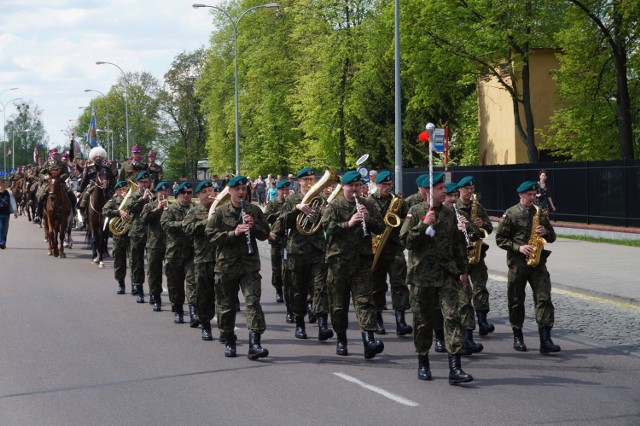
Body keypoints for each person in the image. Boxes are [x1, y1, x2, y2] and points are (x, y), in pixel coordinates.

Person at [400, 172, 473, 384]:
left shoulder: (451, 214)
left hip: (446, 275)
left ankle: (455, 368)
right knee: (423, 322)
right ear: (429, 191)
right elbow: (405, 241)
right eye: (441, 188)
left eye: (444, 188)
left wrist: (463, 271)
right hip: (422, 277)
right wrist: (423, 225)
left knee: (452, 317)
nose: (445, 192)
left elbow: (457, 246)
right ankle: (423, 361)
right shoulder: (415, 211)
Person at [320, 170, 385, 359]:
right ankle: (341, 339)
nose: (355, 189)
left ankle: (369, 340)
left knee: (365, 302)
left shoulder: (368, 204)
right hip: (338, 263)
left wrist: (367, 220)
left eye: (358, 185)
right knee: (339, 305)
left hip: (362, 262)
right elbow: (327, 229)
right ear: (344, 187)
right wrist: (348, 224)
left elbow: (381, 227)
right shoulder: (334, 206)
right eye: (352, 186)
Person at [207, 175, 270, 360]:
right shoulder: (220, 212)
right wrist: (233, 233)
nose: (241, 192)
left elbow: (265, 234)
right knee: (226, 306)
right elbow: (210, 237)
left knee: (253, 303)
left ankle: (255, 344)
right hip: (226, 266)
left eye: (244, 189)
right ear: (230, 191)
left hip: (249, 265)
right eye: (237, 189)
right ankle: (230, 340)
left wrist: (254, 226)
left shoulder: (254, 210)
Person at [495, 181, 561, 354]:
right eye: (530, 195)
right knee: (516, 301)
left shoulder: (540, 213)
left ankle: (545, 340)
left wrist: (545, 233)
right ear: (521, 195)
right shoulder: (510, 214)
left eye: (534, 195)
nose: (533, 198)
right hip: (518, 264)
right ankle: (518, 336)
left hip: (538, 264)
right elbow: (500, 239)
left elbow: (553, 236)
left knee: (544, 299)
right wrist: (519, 248)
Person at [280, 167, 333, 341]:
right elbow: (283, 223)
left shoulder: (321, 198)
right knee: (299, 289)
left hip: (318, 249)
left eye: (312, 179)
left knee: (321, 288)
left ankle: (323, 325)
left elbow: (328, 224)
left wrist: (326, 214)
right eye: (306, 180)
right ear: (299, 181)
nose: (310, 182)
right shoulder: (291, 199)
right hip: (298, 251)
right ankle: (300, 324)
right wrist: (297, 209)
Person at [367, 170, 413, 337]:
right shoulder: (369, 202)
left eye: (389, 185)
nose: (387, 187)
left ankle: (400, 321)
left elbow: (407, 220)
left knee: (399, 284)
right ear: (377, 185)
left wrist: (400, 228)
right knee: (377, 286)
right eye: (384, 185)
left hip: (394, 247)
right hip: (375, 249)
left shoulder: (398, 201)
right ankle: (377, 319)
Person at [455, 176, 496, 337]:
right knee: (464, 292)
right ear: (460, 190)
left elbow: (489, 228)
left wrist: (482, 225)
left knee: (481, 288)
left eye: (472, 189)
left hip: (477, 253)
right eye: (467, 189)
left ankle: (483, 321)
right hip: (461, 254)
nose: (469, 192)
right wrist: (472, 225)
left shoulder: (477, 207)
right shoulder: (454, 207)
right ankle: (467, 328)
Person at [183, 180, 217, 340]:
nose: (209, 194)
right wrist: (208, 220)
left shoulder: (222, 209)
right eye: (205, 192)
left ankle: (225, 329)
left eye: (211, 190)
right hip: (203, 258)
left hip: (222, 258)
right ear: (198, 195)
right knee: (204, 295)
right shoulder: (194, 212)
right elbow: (188, 229)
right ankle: (205, 325)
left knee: (224, 295)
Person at [161, 182, 196, 325]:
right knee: (175, 284)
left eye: (189, 192)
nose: (186, 195)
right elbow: (165, 224)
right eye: (183, 193)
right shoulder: (170, 209)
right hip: (174, 252)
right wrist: (182, 224)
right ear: (178, 195)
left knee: (192, 282)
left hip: (192, 252)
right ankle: (179, 310)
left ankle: (194, 312)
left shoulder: (197, 209)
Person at [141, 181, 171, 312]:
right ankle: (156, 298)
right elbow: (143, 219)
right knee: (154, 273)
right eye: (161, 191)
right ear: (157, 193)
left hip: (171, 245)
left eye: (166, 191)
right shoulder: (149, 206)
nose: (164, 194)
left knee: (173, 273)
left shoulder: (173, 207)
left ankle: (175, 301)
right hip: (154, 244)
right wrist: (157, 209)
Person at [124, 171, 153, 302]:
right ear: (138, 183)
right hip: (137, 233)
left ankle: (153, 292)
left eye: (146, 182)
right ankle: (139, 290)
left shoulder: (154, 195)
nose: (144, 185)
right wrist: (142, 199)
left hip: (152, 234)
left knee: (153, 265)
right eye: (142, 182)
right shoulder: (134, 195)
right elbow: (131, 208)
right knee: (137, 263)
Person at [264, 179, 290, 304]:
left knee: (290, 267)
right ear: (278, 191)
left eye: (287, 190)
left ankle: (289, 290)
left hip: (290, 238)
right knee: (277, 267)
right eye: (282, 190)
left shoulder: (292, 202)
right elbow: (266, 218)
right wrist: (280, 213)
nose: (285, 192)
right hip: (277, 238)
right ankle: (278, 290)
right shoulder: (273, 203)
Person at [102, 181, 131, 294]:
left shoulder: (132, 201)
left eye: (125, 189)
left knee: (134, 262)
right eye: (120, 190)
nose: (123, 192)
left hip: (131, 234)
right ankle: (121, 284)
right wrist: (118, 212)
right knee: (119, 262)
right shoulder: (113, 201)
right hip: (118, 236)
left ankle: (135, 284)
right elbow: (104, 210)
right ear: (116, 191)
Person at [0, 179, 18, 249]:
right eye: (6, 183)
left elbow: (13, 201)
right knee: (1, 227)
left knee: (5, 228)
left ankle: (3, 241)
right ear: (1, 184)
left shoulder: (9, 193)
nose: (7, 185)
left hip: (6, 213)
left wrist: (15, 211)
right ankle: (1, 241)